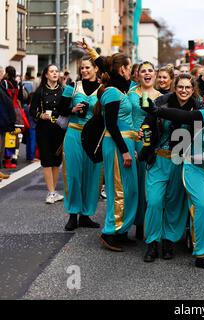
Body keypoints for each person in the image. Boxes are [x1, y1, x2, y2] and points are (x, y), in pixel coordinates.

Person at [143, 85, 204, 270]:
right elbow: (181, 116)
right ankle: (201, 253)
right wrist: (157, 110)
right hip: (195, 169)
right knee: (202, 205)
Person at [141, 73, 201, 263]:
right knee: (154, 201)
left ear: (193, 90)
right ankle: (152, 242)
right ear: (175, 87)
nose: (184, 90)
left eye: (188, 88)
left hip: (181, 162)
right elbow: (147, 123)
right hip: (159, 159)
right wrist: (144, 133)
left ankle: (169, 241)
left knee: (175, 204)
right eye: (180, 87)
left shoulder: (198, 107)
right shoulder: (162, 102)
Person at [97, 53, 138, 252]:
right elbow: (111, 125)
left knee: (129, 188)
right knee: (118, 189)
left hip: (125, 143)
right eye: (129, 67)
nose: (131, 70)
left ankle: (121, 230)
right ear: (122, 68)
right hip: (116, 145)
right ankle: (109, 232)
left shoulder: (120, 88)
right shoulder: (113, 92)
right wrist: (124, 152)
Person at [58, 56, 102, 232]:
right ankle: (72, 215)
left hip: (93, 137)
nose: (84, 71)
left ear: (95, 69)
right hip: (74, 133)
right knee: (73, 175)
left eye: (87, 67)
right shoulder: (72, 87)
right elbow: (59, 110)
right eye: (82, 68)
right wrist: (72, 110)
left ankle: (86, 215)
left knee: (92, 176)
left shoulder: (103, 90)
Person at [127, 61, 163, 244]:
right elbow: (124, 117)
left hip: (151, 146)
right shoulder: (130, 94)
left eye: (150, 71)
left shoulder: (162, 97)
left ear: (155, 75)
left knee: (149, 187)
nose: (147, 74)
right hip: (133, 143)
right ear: (137, 75)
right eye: (143, 71)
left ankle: (146, 225)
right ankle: (129, 224)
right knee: (134, 185)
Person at [29, 64, 66, 204]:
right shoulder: (40, 91)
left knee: (56, 161)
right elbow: (32, 111)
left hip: (59, 129)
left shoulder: (64, 90)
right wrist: (40, 115)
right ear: (46, 75)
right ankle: (50, 192)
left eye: (57, 71)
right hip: (44, 129)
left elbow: (66, 109)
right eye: (52, 71)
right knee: (46, 161)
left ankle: (54, 191)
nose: (55, 73)